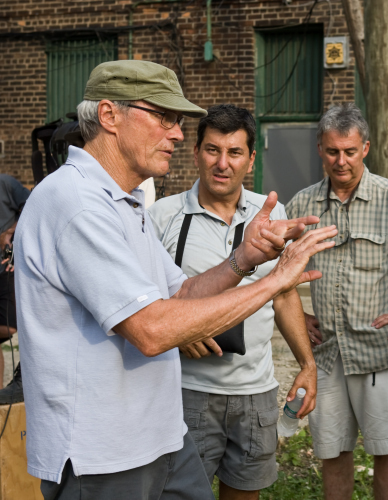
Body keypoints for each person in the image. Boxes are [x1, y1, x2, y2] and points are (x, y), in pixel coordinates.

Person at [14, 60, 338, 500]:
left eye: (180, 121)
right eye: (164, 117)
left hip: (161, 438)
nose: (179, 134)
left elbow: (180, 293)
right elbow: (151, 330)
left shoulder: (121, 203)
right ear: (109, 116)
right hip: (105, 455)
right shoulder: (77, 204)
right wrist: (275, 280)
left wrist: (243, 259)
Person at [149, 104, 317, 499]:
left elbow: (284, 293)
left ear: (251, 158)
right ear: (195, 153)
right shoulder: (162, 217)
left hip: (255, 393)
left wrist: (308, 365)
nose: (222, 164)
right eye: (212, 150)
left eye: (235, 152)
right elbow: (146, 305)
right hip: (186, 393)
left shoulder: (271, 215)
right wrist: (178, 332)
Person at [286, 103, 388, 500]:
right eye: (332, 151)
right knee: (332, 451)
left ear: (366, 148)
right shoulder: (302, 206)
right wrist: (295, 314)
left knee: (387, 448)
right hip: (327, 355)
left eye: (350, 151)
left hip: (382, 353)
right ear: (320, 149)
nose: (341, 161)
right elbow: (275, 268)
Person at [0, 175, 29, 390]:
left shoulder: (5, 183)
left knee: (8, 327)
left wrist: (12, 230)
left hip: (6, 267)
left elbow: (34, 203)